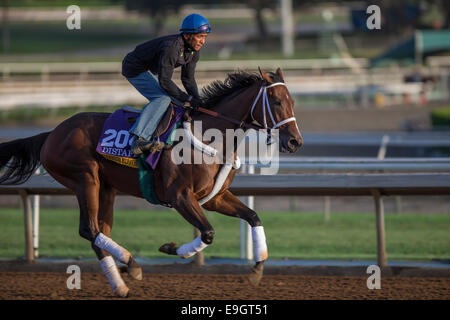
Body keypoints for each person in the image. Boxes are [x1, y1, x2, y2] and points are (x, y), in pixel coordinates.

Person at [122, 13, 211, 155]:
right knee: (162, 98)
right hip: (134, 67)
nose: (203, 42)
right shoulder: (172, 48)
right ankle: (138, 140)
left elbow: (188, 79)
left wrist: (197, 101)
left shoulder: (194, 51)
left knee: (178, 101)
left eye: (205, 37)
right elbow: (164, 81)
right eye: (200, 37)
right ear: (187, 36)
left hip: (149, 69)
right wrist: (188, 99)